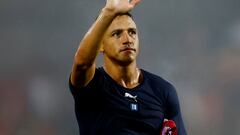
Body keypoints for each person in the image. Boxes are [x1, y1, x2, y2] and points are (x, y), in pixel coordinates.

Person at [69, 0, 187, 134]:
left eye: (132, 32)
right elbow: (82, 63)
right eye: (116, 34)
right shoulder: (91, 85)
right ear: (100, 46)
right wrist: (108, 12)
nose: (127, 39)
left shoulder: (163, 91)